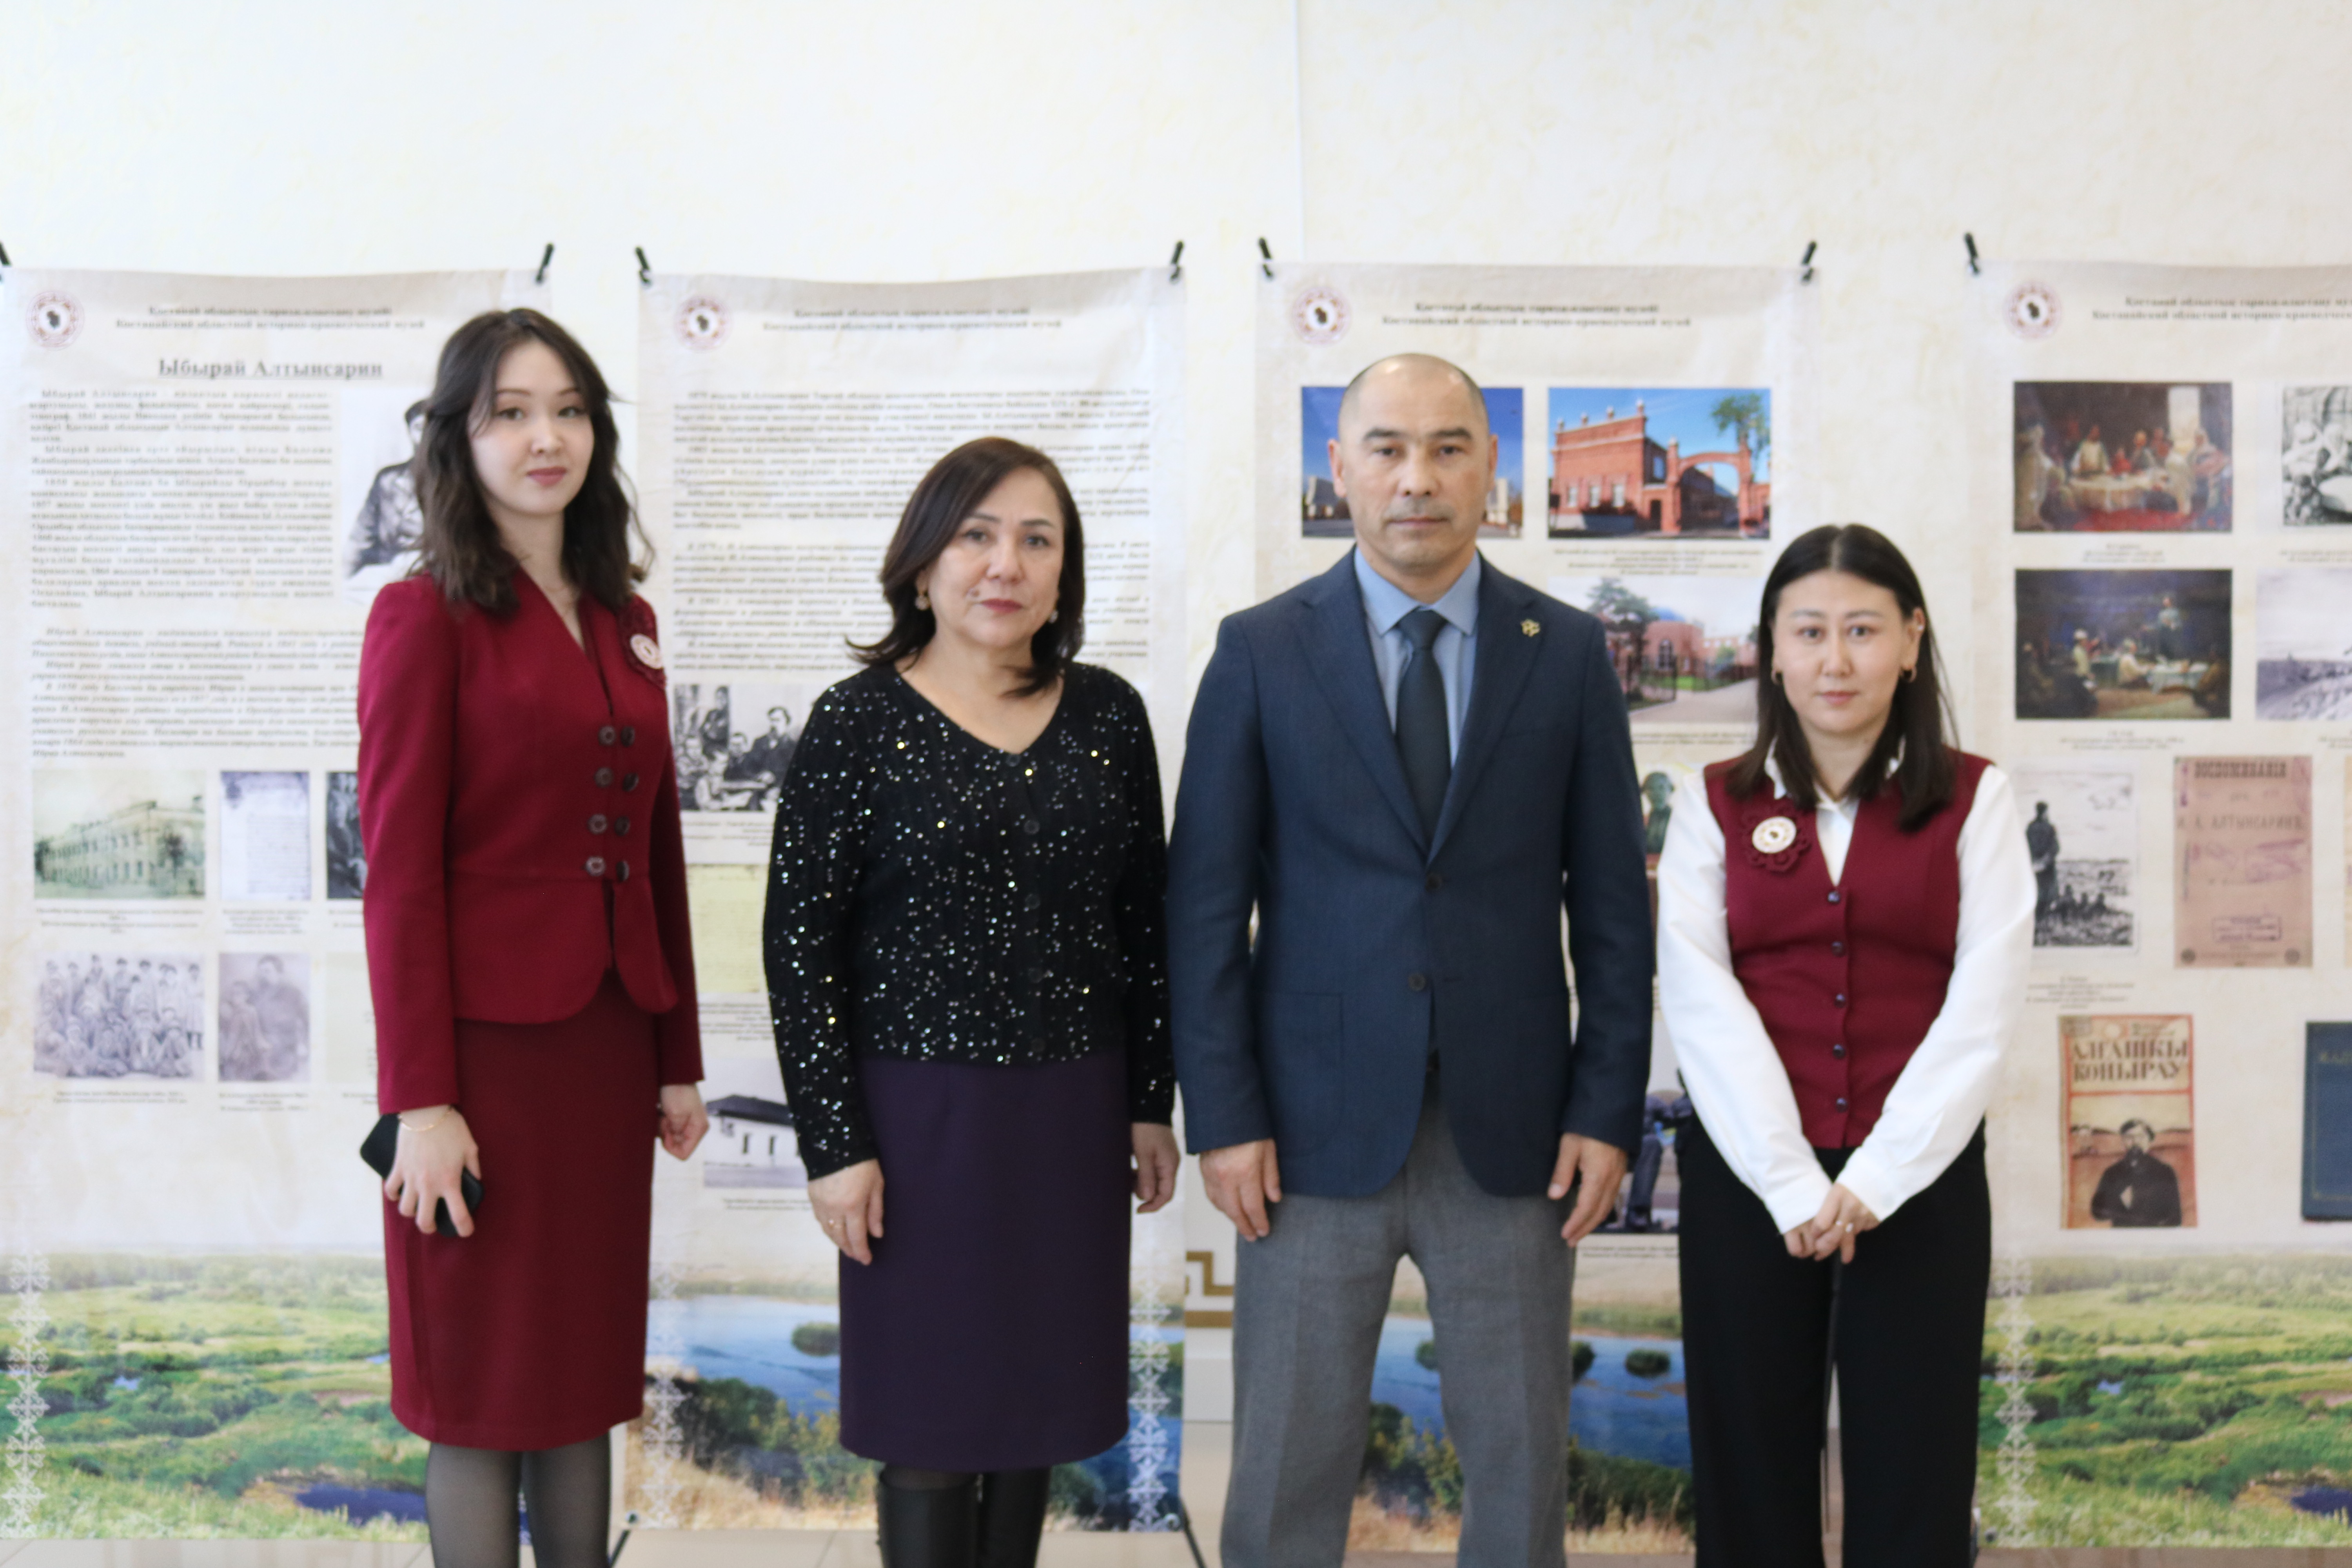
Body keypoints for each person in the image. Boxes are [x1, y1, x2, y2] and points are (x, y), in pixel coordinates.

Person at [1167, 354, 1653, 1568]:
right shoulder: (1261, 650)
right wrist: (1223, 1115)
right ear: (1339, 469)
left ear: (1493, 471)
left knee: (1519, 1462)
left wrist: (1605, 1110)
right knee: (1285, 1461)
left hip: (1516, 1136)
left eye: (1448, 447)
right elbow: (1205, 908)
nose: (1417, 478)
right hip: (1304, 1133)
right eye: (1386, 448)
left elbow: (1610, 911)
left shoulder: (1565, 652)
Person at [764, 437, 1178, 1568]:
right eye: (977, 536)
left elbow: (1147, 925)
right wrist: (835, 1145)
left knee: (1036, 1414)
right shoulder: (855, 722)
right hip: (916, 1127)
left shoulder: (1109, 715)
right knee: (929, 1423)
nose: (1007, 564)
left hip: (1072, 1115)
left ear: (1064, 572)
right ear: (922, 565)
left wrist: (1151, 1100)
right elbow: (799, 949)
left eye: (1037, 540)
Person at [358, 308, 710, 1568]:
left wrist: (676, 1055)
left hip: (605, 1052)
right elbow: (398, 879)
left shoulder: (625, 617)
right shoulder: (424, 615)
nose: (544, 437)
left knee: (580, 1373)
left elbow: (654, 848)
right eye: (509, 413)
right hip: (483, 1069)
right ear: (460, 438)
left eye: (567, 410)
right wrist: (421, 1102)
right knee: (481, 1382)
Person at [1656, 523, 2033, 1566]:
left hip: (1920, 1183)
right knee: (1749, 1472)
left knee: (1916, 1473)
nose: (1836, 660)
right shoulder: (1712, 803)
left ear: (1911, 641)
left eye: (1863, 630)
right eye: (1809, 631)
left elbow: (1984, 1003)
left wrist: (1878, 1177)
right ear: (1772, 650)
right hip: (1747, 1182)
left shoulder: (1976, 798)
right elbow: (1700, 997)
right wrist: (1790, 1182)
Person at [2090, 1118, 2182, 1227]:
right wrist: (2119, 1200)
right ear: (2123, 1141)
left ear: (2150, 1141)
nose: (2135, 1142)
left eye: (2141, 1137)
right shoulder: (2112, 1173)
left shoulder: (2164, 1172)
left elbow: (2175, 1219)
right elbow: (2098, 1213)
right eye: (2130, 1137)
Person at [2026, 800, 2061, 924]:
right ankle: (2042, 918)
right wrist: (2045, 861)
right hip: (2046, 867)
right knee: (2046, 893)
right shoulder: (2050, 828)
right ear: (2045, 812)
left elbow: (2026, 846)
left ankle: (2038, 918)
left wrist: (2035, 861)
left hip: (2034, 865)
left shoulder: (2031, 828)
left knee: (2036, 892)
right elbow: (2055, 848)